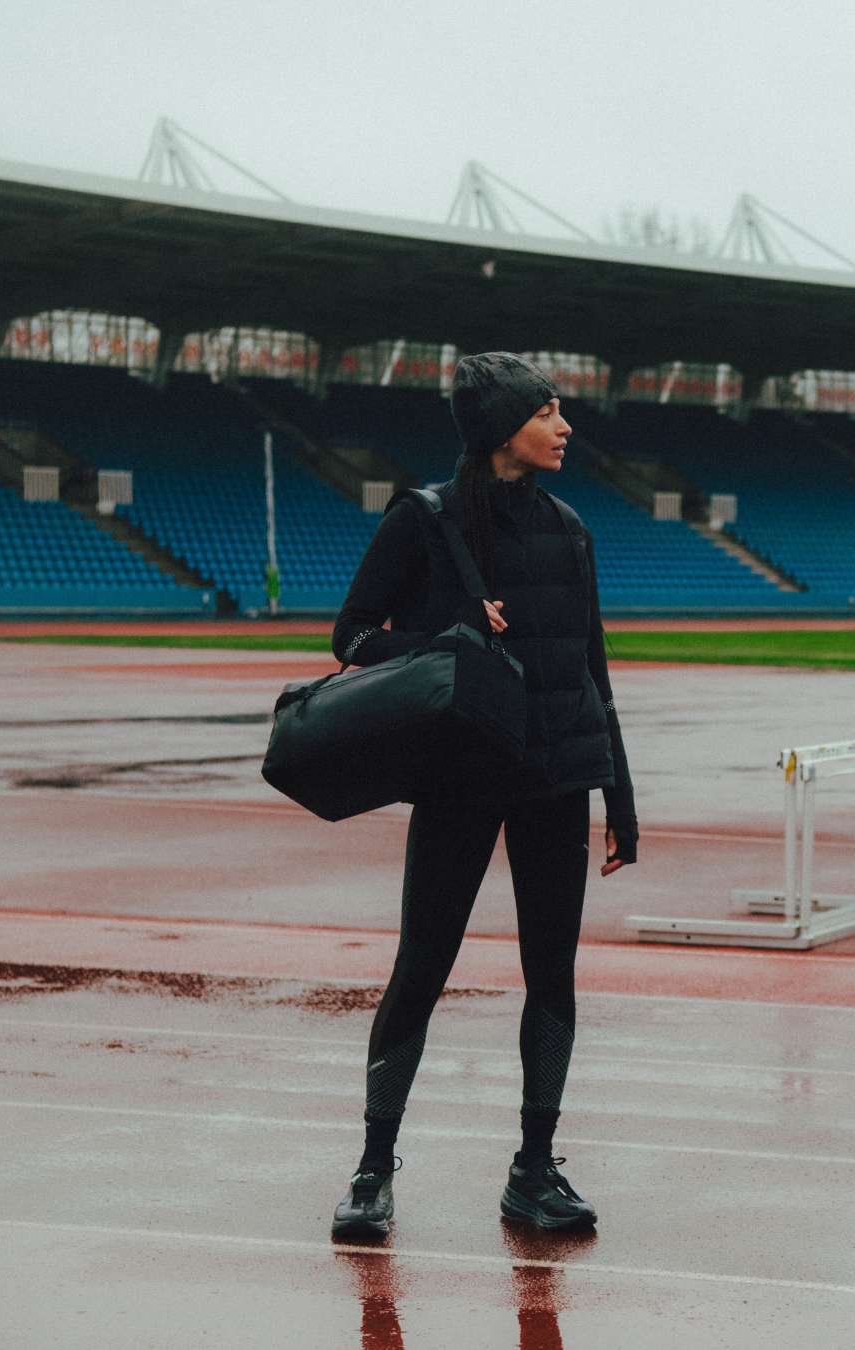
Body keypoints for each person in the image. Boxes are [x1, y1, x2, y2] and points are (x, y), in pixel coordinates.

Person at [329, 352, 637, 1236]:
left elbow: (593, 668)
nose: (566, 426)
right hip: (459, 778)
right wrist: (443, 635)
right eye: (550, 411)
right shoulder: (422, 520)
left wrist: (618, 793)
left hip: (557, 780)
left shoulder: (571, 527)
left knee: (552, 979)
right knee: (421, 968)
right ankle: (372, 1168)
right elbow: (350, 636)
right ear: (505, 426)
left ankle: (534, 1170)